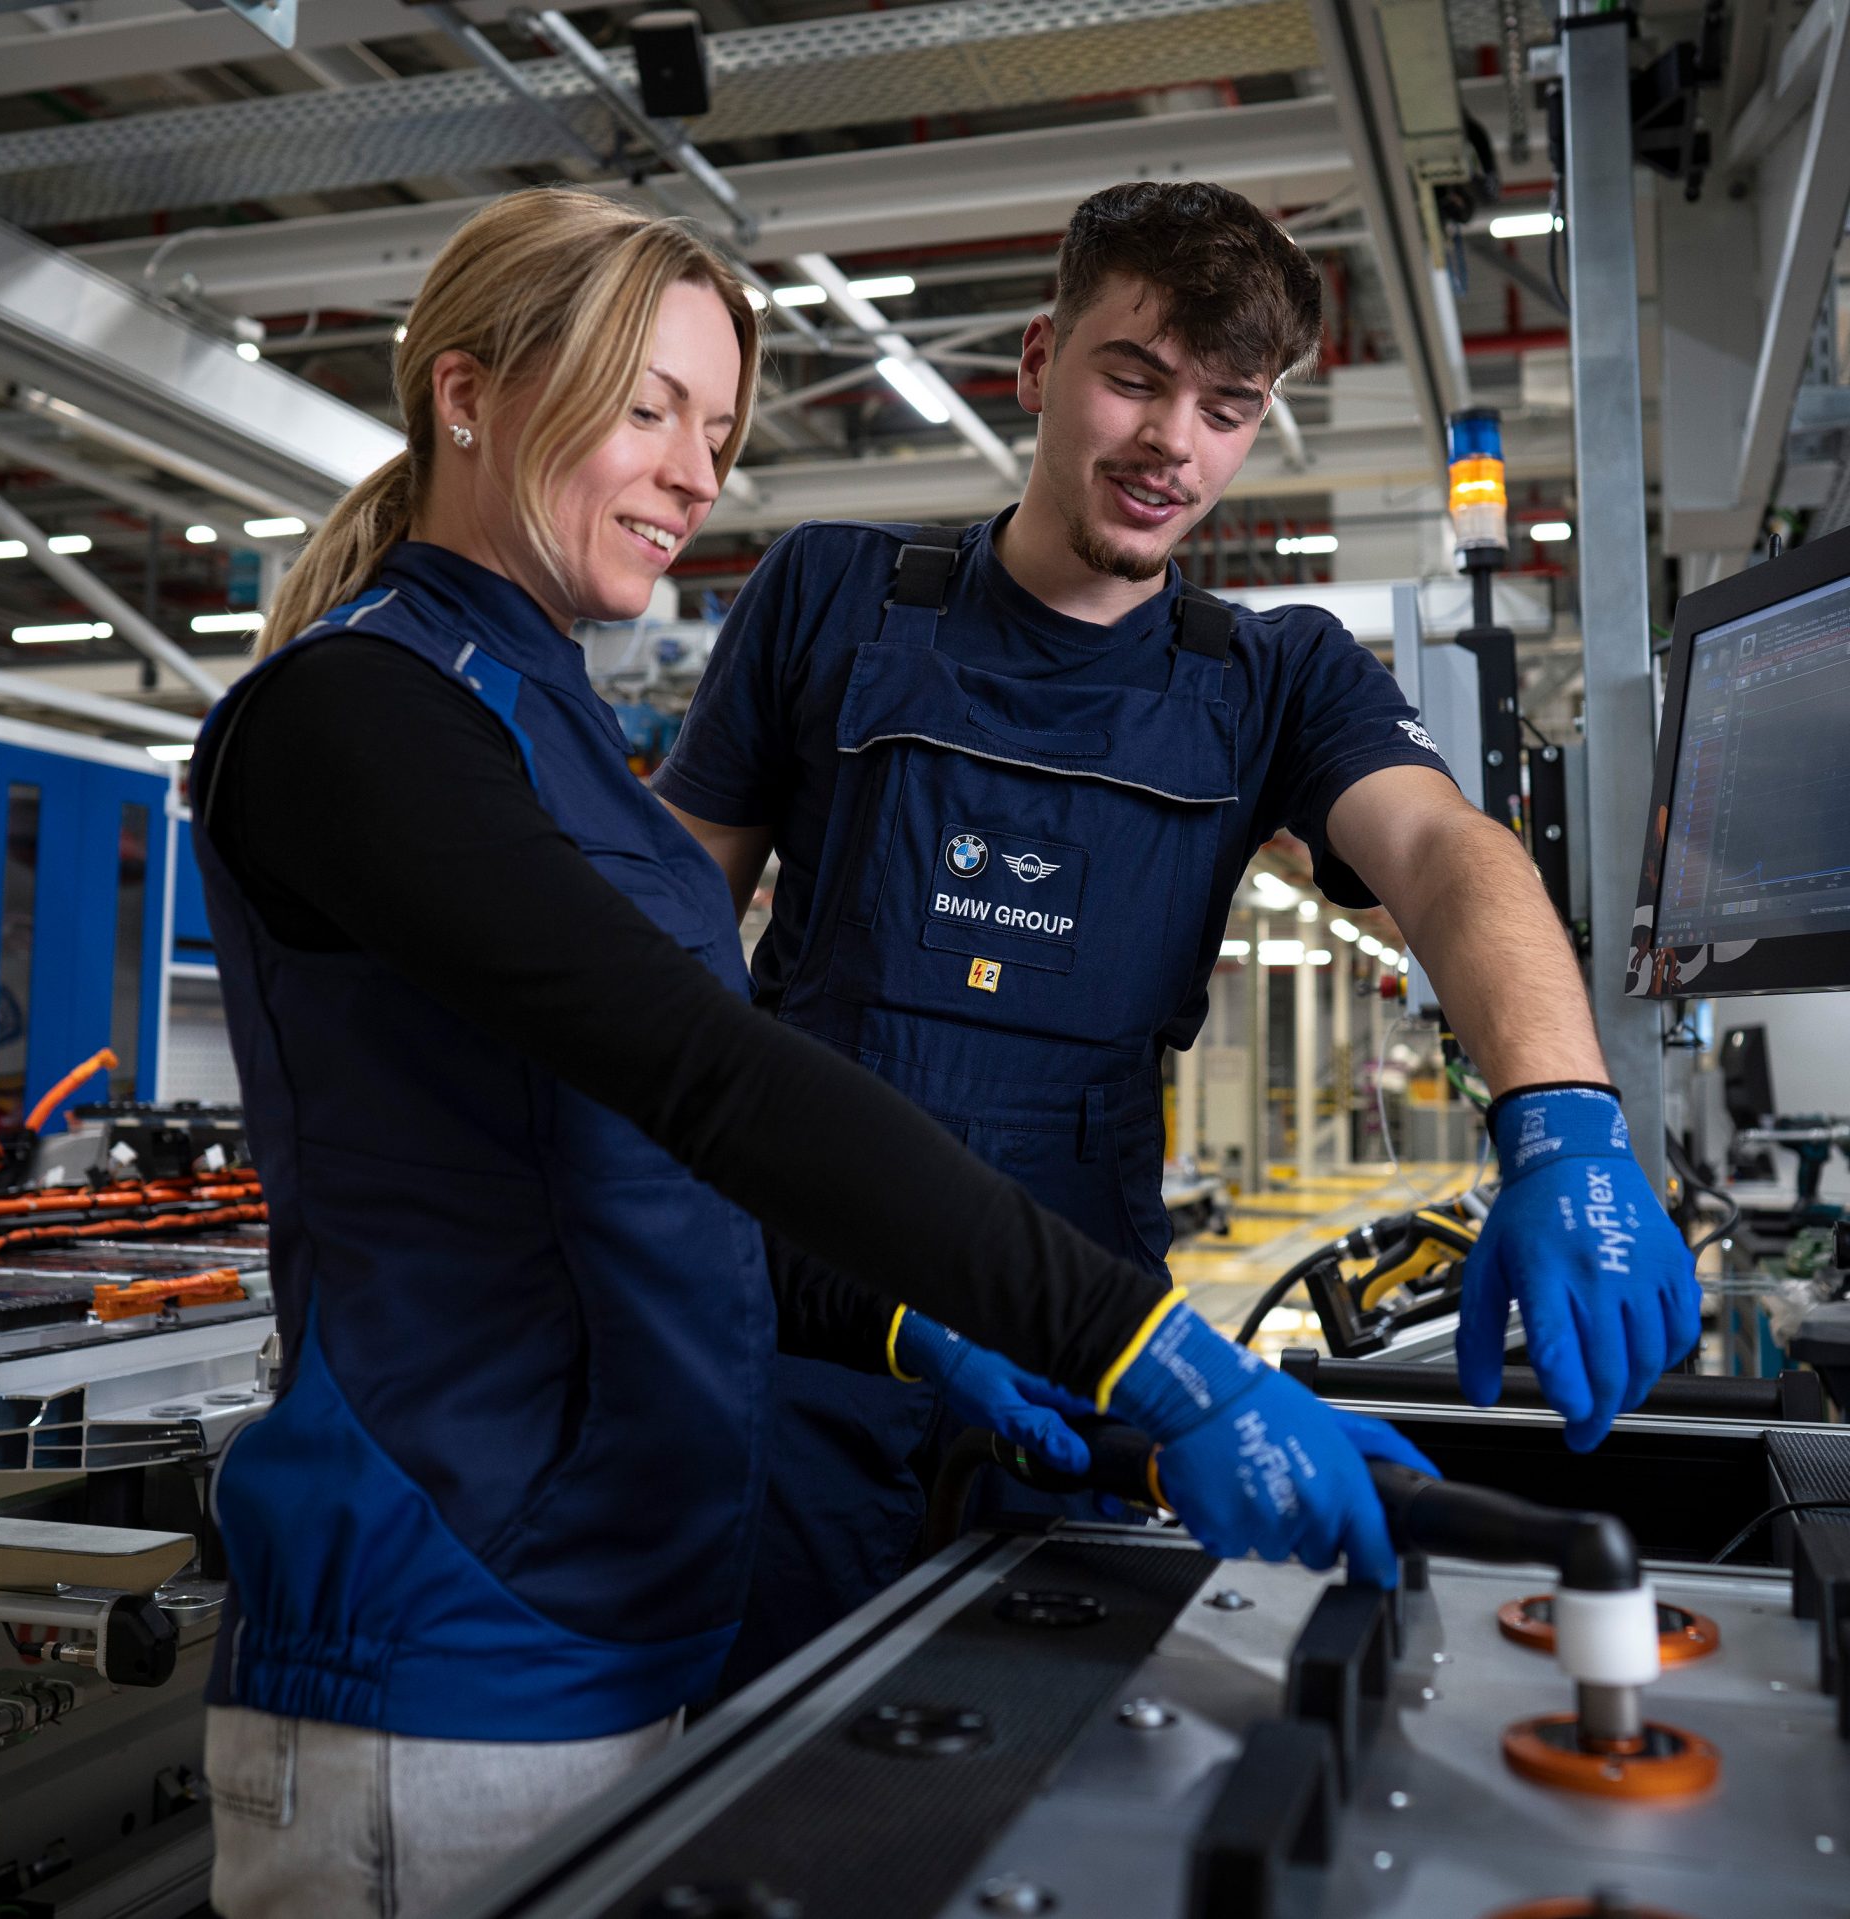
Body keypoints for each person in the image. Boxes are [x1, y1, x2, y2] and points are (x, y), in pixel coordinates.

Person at [186, 187, 1433, 1919]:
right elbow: (706, 1080)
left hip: (619, 1616)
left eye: (716, 424)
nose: (698, 473)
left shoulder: (545, 728)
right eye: (646, 411)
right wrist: (1150, 1353)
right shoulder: (355, 717)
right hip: (443, 1644)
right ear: (464, 392)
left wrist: (917, 1328)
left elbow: (644, 1179)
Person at [653, 178, 1704, 1686]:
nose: (1173, 445)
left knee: (1054, 1783)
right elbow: (656, 950)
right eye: (1134, 378)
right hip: (788, 1359)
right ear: (1037, 363)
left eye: (1227, 405)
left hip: (1097, 1379)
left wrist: (1565, 1118)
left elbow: (1446, 849)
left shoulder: (1275, 678)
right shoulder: (828, 594)